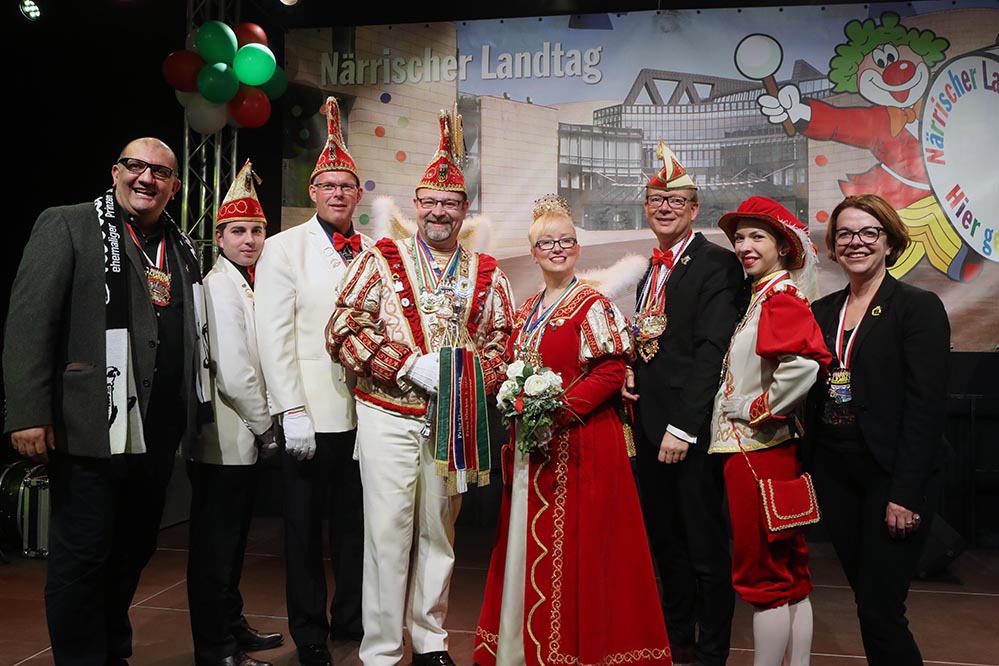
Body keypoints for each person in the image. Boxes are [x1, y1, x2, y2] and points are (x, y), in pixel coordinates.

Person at [3, 137, 212, 665]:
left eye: (160, 172)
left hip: (156, 431)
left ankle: (111, 652)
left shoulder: (180, 244)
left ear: (175, 185)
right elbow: (29, 324)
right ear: (115, 171)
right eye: (135, 166)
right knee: (83, 556)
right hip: (90, 425)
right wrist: (29, 412)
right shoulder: (69, 224)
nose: (147, 178)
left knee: (132, 550)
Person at [326, 103, 515, 666]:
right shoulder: (380, 258)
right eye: (430, 202)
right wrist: (406, 365)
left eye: (450, 203)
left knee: (439, 533)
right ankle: (382, 649)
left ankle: (431, 641)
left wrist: (469, 375)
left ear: (463, 209)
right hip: (387, 414)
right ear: (416, 206)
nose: (438, 211)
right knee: (386, 534)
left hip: (453, 420)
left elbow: (505, 341)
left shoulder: (486, 270)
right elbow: (341, 328)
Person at [473, 194, 672, 666]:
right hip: (533, 449)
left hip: (582, 443)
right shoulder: (525, 310)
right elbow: (511, 367)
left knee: (586, 552)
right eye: (547, 242)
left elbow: (608, 371)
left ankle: (579, 649)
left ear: (577, 249)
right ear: (535, 251)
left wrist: (554, 409)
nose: (557, 249)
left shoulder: (592, 303)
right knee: (524, 544)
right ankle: (526, 649)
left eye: (565, 240)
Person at [803, 193, 951, 666]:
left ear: (889, 243)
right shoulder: (823, 312)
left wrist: (906, 493)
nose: (856, 242)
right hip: (835, 472)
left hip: (890, 478)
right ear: (834, 245)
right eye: (845, 233)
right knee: (866, 603)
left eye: (869, 232)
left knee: (881, 608)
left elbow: (925, 408)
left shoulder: (917, 307)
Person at [254, 97, 371, 666]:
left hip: (368, 414)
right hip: (310, 414)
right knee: (303, 531)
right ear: (313, 193)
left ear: (359, 194)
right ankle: (309, 631)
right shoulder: (282, 248)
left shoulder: (376, 251)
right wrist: (289, 409)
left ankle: (350, 617)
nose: (338, 194)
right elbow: (272, 335)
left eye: (347, 186)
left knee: (356, 525)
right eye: (328, 185)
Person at [623, 140, 744, 666]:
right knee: (666, 544)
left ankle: (713, 653)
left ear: (695, 209)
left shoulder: (715, 264)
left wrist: (683, 428)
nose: (664, 207)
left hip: (685, 433)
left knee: (705, 548)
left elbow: (709, 354)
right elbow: (657, 341)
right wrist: (633, 366)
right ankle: (676, 642)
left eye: (676, 199)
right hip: (649, 427)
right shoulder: (654, 269)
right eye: (656, 199)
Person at [709, 196, 832, 666]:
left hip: (754, 451)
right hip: (768, 453)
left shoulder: (778, 298)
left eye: (756, 236)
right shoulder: (766, 295)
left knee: (763, 575)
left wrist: (756, 407)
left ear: (783, 246)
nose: (743, 245)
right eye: (739, 237)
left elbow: (801, 366)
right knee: (790, 572)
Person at [187, 159, 283, 666]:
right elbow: (235, 371)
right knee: (215, 548)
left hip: (242, 437)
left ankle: (232, 625)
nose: (249, 239)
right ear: (219, 237)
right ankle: (216, 647)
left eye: (257, 230)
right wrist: (267, 427)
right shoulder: (220, 285)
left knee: (232, 543)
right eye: (238, 231)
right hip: (226, 437)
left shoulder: (249, 281)